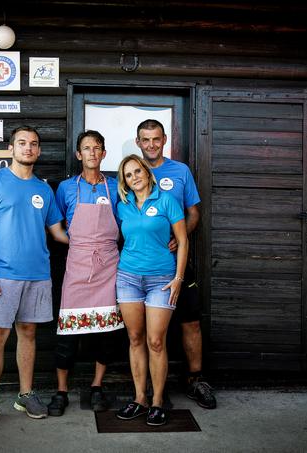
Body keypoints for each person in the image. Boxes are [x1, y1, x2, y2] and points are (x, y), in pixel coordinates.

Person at [0, 126, 69, 431]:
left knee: (28, 334)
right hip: (2, 276)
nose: (28, 148)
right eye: (22, 143)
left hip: (38, 275)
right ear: (10, 148)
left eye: (33, 144)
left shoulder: (43, 190)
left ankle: (26, 395)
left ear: (38, 151)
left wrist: (92, 239)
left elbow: (58, 233)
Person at [135, 119, 216, 409]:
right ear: (138, 142)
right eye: (146, 140)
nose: (151, 145)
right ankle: (149, 387)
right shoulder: (132, 173)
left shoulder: (179, 171)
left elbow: (194, 213)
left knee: (190, 321)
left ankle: (195, 379)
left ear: (164, 139)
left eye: (156, 139)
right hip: (143, 267)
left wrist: (180, 237)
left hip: (178, 263)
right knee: (145, 331)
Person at [47, 130, 125, 417]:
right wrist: (81, 244)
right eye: (87, 148)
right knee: (67, 335)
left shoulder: (116, 187)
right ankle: (61, 391)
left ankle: (96, 386)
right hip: (77, 264)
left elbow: (125, 225)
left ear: (104, 154)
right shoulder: (66, 188)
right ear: (78, 154)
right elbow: (56, 229)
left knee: (107, 332)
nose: (92, 153)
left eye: (97, 148)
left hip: (108, 265)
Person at [114, 154, 188, 427]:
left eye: (137, 171)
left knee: (155, 341)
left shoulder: (166, 200)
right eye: (128, 175)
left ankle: (157, 401)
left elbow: (182, 240)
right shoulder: (123, 205)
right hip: (128, 278)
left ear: (146, 171)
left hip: (161, 280)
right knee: (135, 338)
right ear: (125, 182)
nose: (134, 178)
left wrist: (179, 278)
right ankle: (139, 398)